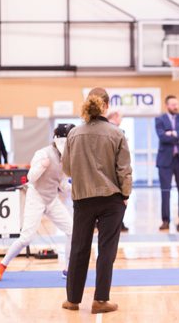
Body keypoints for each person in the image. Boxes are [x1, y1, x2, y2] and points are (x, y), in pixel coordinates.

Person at [61, 87, 132, 314]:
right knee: (106, 250)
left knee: (79, 248)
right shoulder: (117, 133)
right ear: (107, 106)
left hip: (82, 199)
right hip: (111, 200)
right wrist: (126, 195)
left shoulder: (73, 134)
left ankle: (72, 300)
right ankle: (100, 300)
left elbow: (67, 167)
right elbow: (124, 170)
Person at [0, 124, 75, 281]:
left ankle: (68, 269)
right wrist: (41, 167)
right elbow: (31, 178)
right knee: (26, 238)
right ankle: (2, 265)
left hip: (51, 199)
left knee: (72, 230)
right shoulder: (43, 154)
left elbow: (62, 184)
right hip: (36, 197)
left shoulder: (67, 158)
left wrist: (74, 188)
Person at [155, 95, 179, 231]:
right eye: (173, 104)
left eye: (177, 104)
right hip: (165, 161)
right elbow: (162, 137)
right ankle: (165, 220)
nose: (176, 106)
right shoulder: (159, 119)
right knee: (165, 191)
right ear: (167, 106)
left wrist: (173, 133)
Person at [107, 110, 129, 232]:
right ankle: (118, 223)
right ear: (115, 117)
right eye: (121, 117)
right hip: (114, 170)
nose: (121, 120)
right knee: (120, 198)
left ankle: (118, 223)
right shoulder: (116, 131)